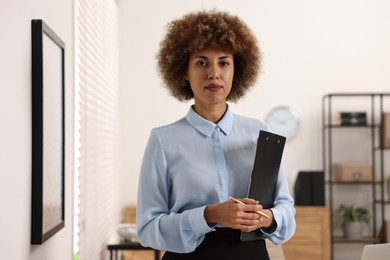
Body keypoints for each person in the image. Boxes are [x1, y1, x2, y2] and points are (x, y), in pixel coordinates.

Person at [136, 9, 296, 260]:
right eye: (201, 62)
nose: (214, 73)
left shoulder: (261, 133)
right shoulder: (163, 140)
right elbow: (147, 229)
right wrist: (208, 215)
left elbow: (286, 210)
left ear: (237, 70)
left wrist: (266, 217)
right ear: (184, 72)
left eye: (224, 62)